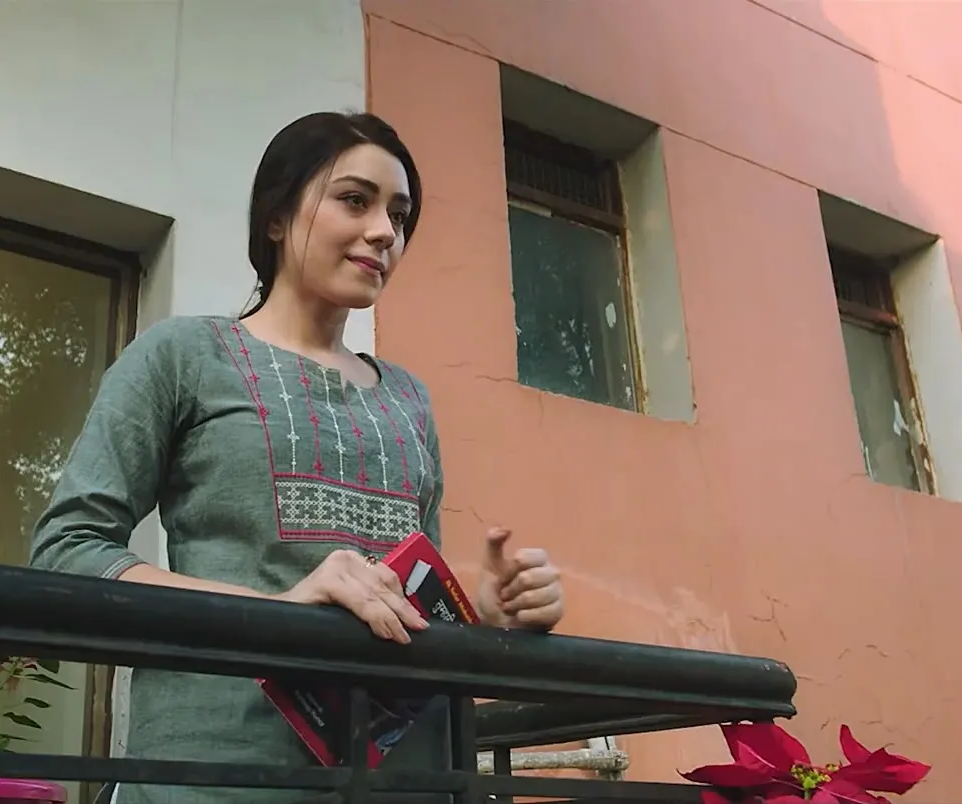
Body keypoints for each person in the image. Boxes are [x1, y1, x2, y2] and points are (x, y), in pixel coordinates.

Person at [28, 110, 566, 804]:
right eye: (355, 200)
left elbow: (406, 604)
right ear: (278, 216)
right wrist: (277, 611)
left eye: (399, 216)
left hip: (403, 781)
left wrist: (484, 616)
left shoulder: (409, 399)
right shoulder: (184, 357)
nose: (385, 231)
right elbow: (68, 552)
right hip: (218, 777)